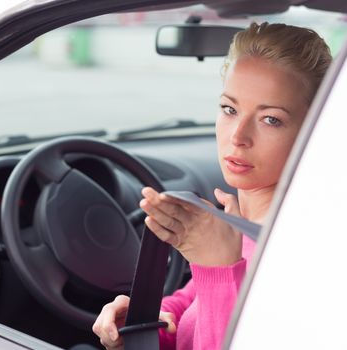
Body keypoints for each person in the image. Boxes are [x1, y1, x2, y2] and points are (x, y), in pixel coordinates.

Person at [92, 22, 332, 350]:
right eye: (230, 109)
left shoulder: (310, 251)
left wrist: (219, 264)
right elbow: (194, 301)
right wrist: (149, 319)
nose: (237, 136)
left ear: (313, 130)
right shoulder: (236, 220)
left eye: (270, 119)